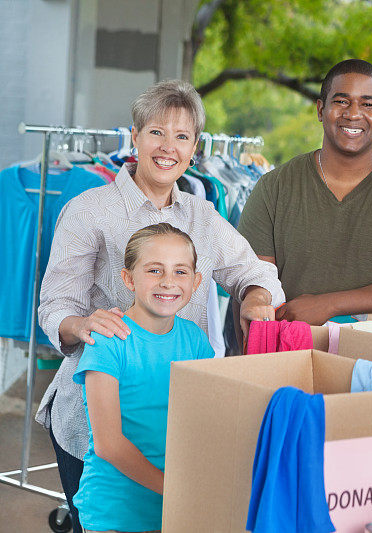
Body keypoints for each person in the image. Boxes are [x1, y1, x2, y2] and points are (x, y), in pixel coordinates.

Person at [36, 80, 284, 532]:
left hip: (173, 416)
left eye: (183, 136)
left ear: (195, 149)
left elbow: (257, 273)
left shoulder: (204, 216)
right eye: (156, 133)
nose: (169, 147)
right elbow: (54, 305)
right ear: (135, 137)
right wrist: (82, 323)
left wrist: (257, 298)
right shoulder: (89, 210)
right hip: (94, 413)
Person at [237, 59, 372, 325]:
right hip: (289, 350)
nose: (353, 114)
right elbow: (253, 281)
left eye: (368, 104)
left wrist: (329, 305)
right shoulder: (274, 187)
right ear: (321, 109)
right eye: (342, 101)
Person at [73, 223, 214, 533]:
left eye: (180, 272)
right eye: (154, 270)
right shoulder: (108, 341)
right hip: (116, 513)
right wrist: (174, 490)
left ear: (196, 281)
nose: (168, 282)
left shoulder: (196, 341)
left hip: (176, 510)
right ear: (128, 279)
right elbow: (109, 444)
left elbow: (204, 423)